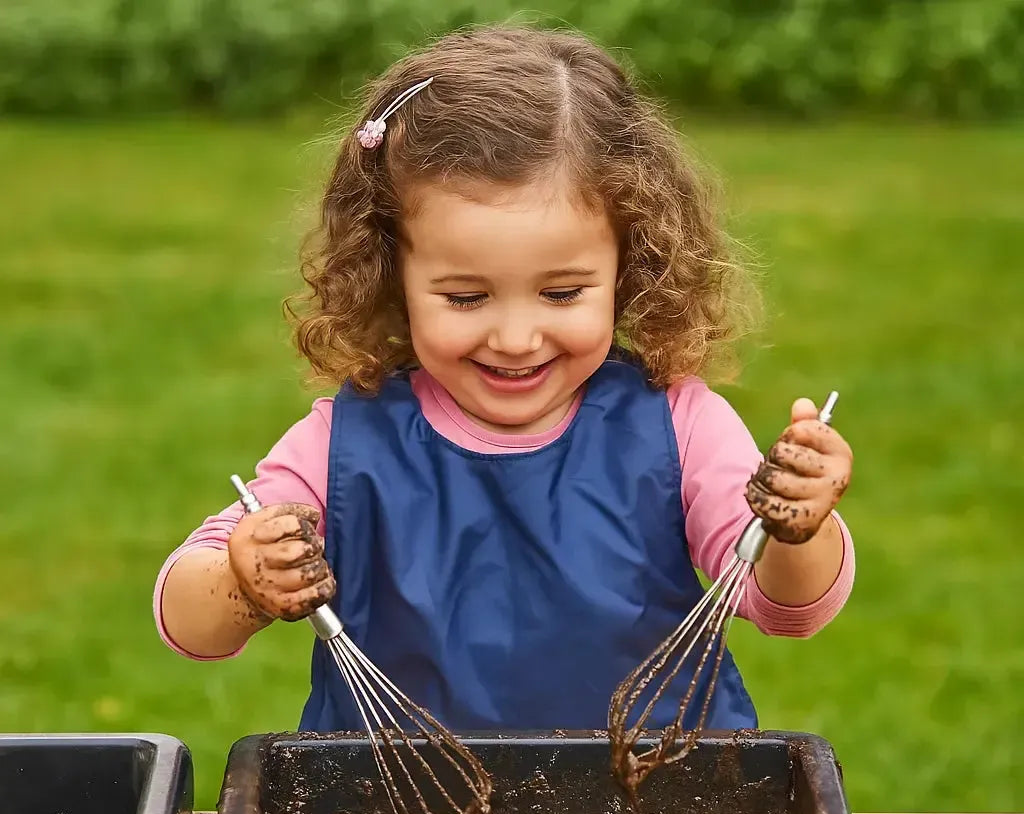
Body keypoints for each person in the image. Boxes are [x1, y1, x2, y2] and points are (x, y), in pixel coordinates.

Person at [154, 25, 854, 735]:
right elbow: (190, 623)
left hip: (661, 810)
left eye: (562, 294)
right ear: (391, 275)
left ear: (628, 267)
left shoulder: (679, 427)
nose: (516, 339)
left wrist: (797, 529)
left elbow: (787, 608)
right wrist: (244, 579)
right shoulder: (342, 449)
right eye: (465, 298)